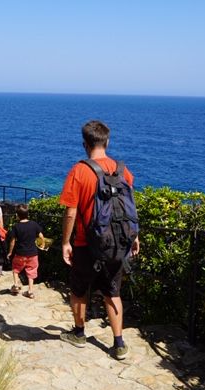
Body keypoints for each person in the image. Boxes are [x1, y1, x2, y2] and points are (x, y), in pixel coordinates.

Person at [59, 120, 140, 360]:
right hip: (116, 244)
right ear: (107, 141)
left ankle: (79, 333)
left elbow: (71, 211)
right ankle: (119, 344)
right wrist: (134, 237)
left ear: (85, 144)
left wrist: (66, 242)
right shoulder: (122, 170)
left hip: (86, 244)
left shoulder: (79, 171)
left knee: (79, 290)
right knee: (113, 292)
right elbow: (128, 207)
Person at [7, 204, 44, 299]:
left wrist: (10, 252)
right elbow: (41, 236)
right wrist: (42, 245)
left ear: (17, 215)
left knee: (16, 268)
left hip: (20, 253)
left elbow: (12, 241)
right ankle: (30, 291)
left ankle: (15, 285)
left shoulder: (16, 227)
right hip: (33, 253)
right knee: (31, 271)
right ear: (28, 214)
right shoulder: (34, 224)